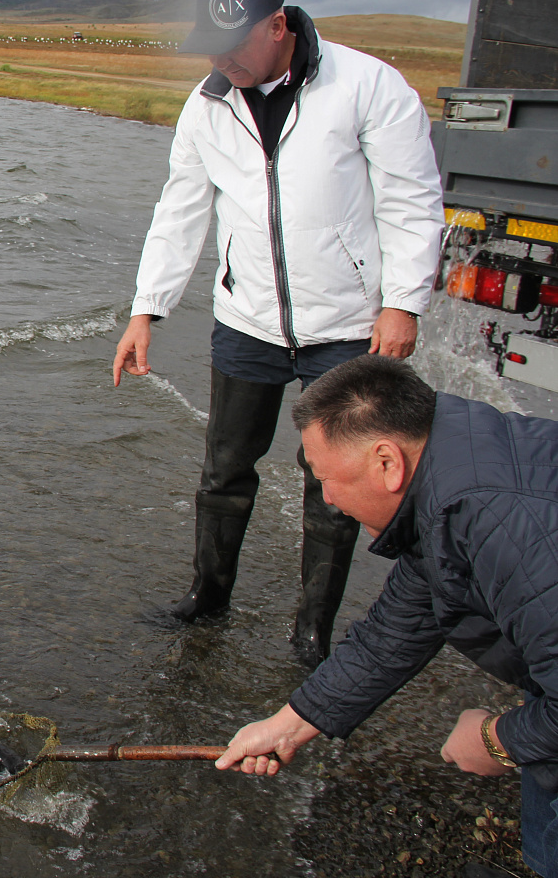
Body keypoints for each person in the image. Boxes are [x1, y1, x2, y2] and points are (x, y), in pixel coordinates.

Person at [111, 0, 444, 665]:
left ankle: (313, 631)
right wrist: (147, 310)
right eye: (210, 47)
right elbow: (180, 210)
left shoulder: (366, 86)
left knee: (334, 485)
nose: (221, 61)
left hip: (349, 326)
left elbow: (411, 200)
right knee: (224, 468)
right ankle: (208, 597)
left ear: (278, 26)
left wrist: (402, 303)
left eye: (234, 45)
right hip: (247, 322)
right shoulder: (207, 104)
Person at [215, 354, 558, 876]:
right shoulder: (448, 470)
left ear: (386, 463)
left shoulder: (499, 521)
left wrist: (498, 740)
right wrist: (288, 726)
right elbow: (397, 627)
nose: (327, 499)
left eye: (329, 479)